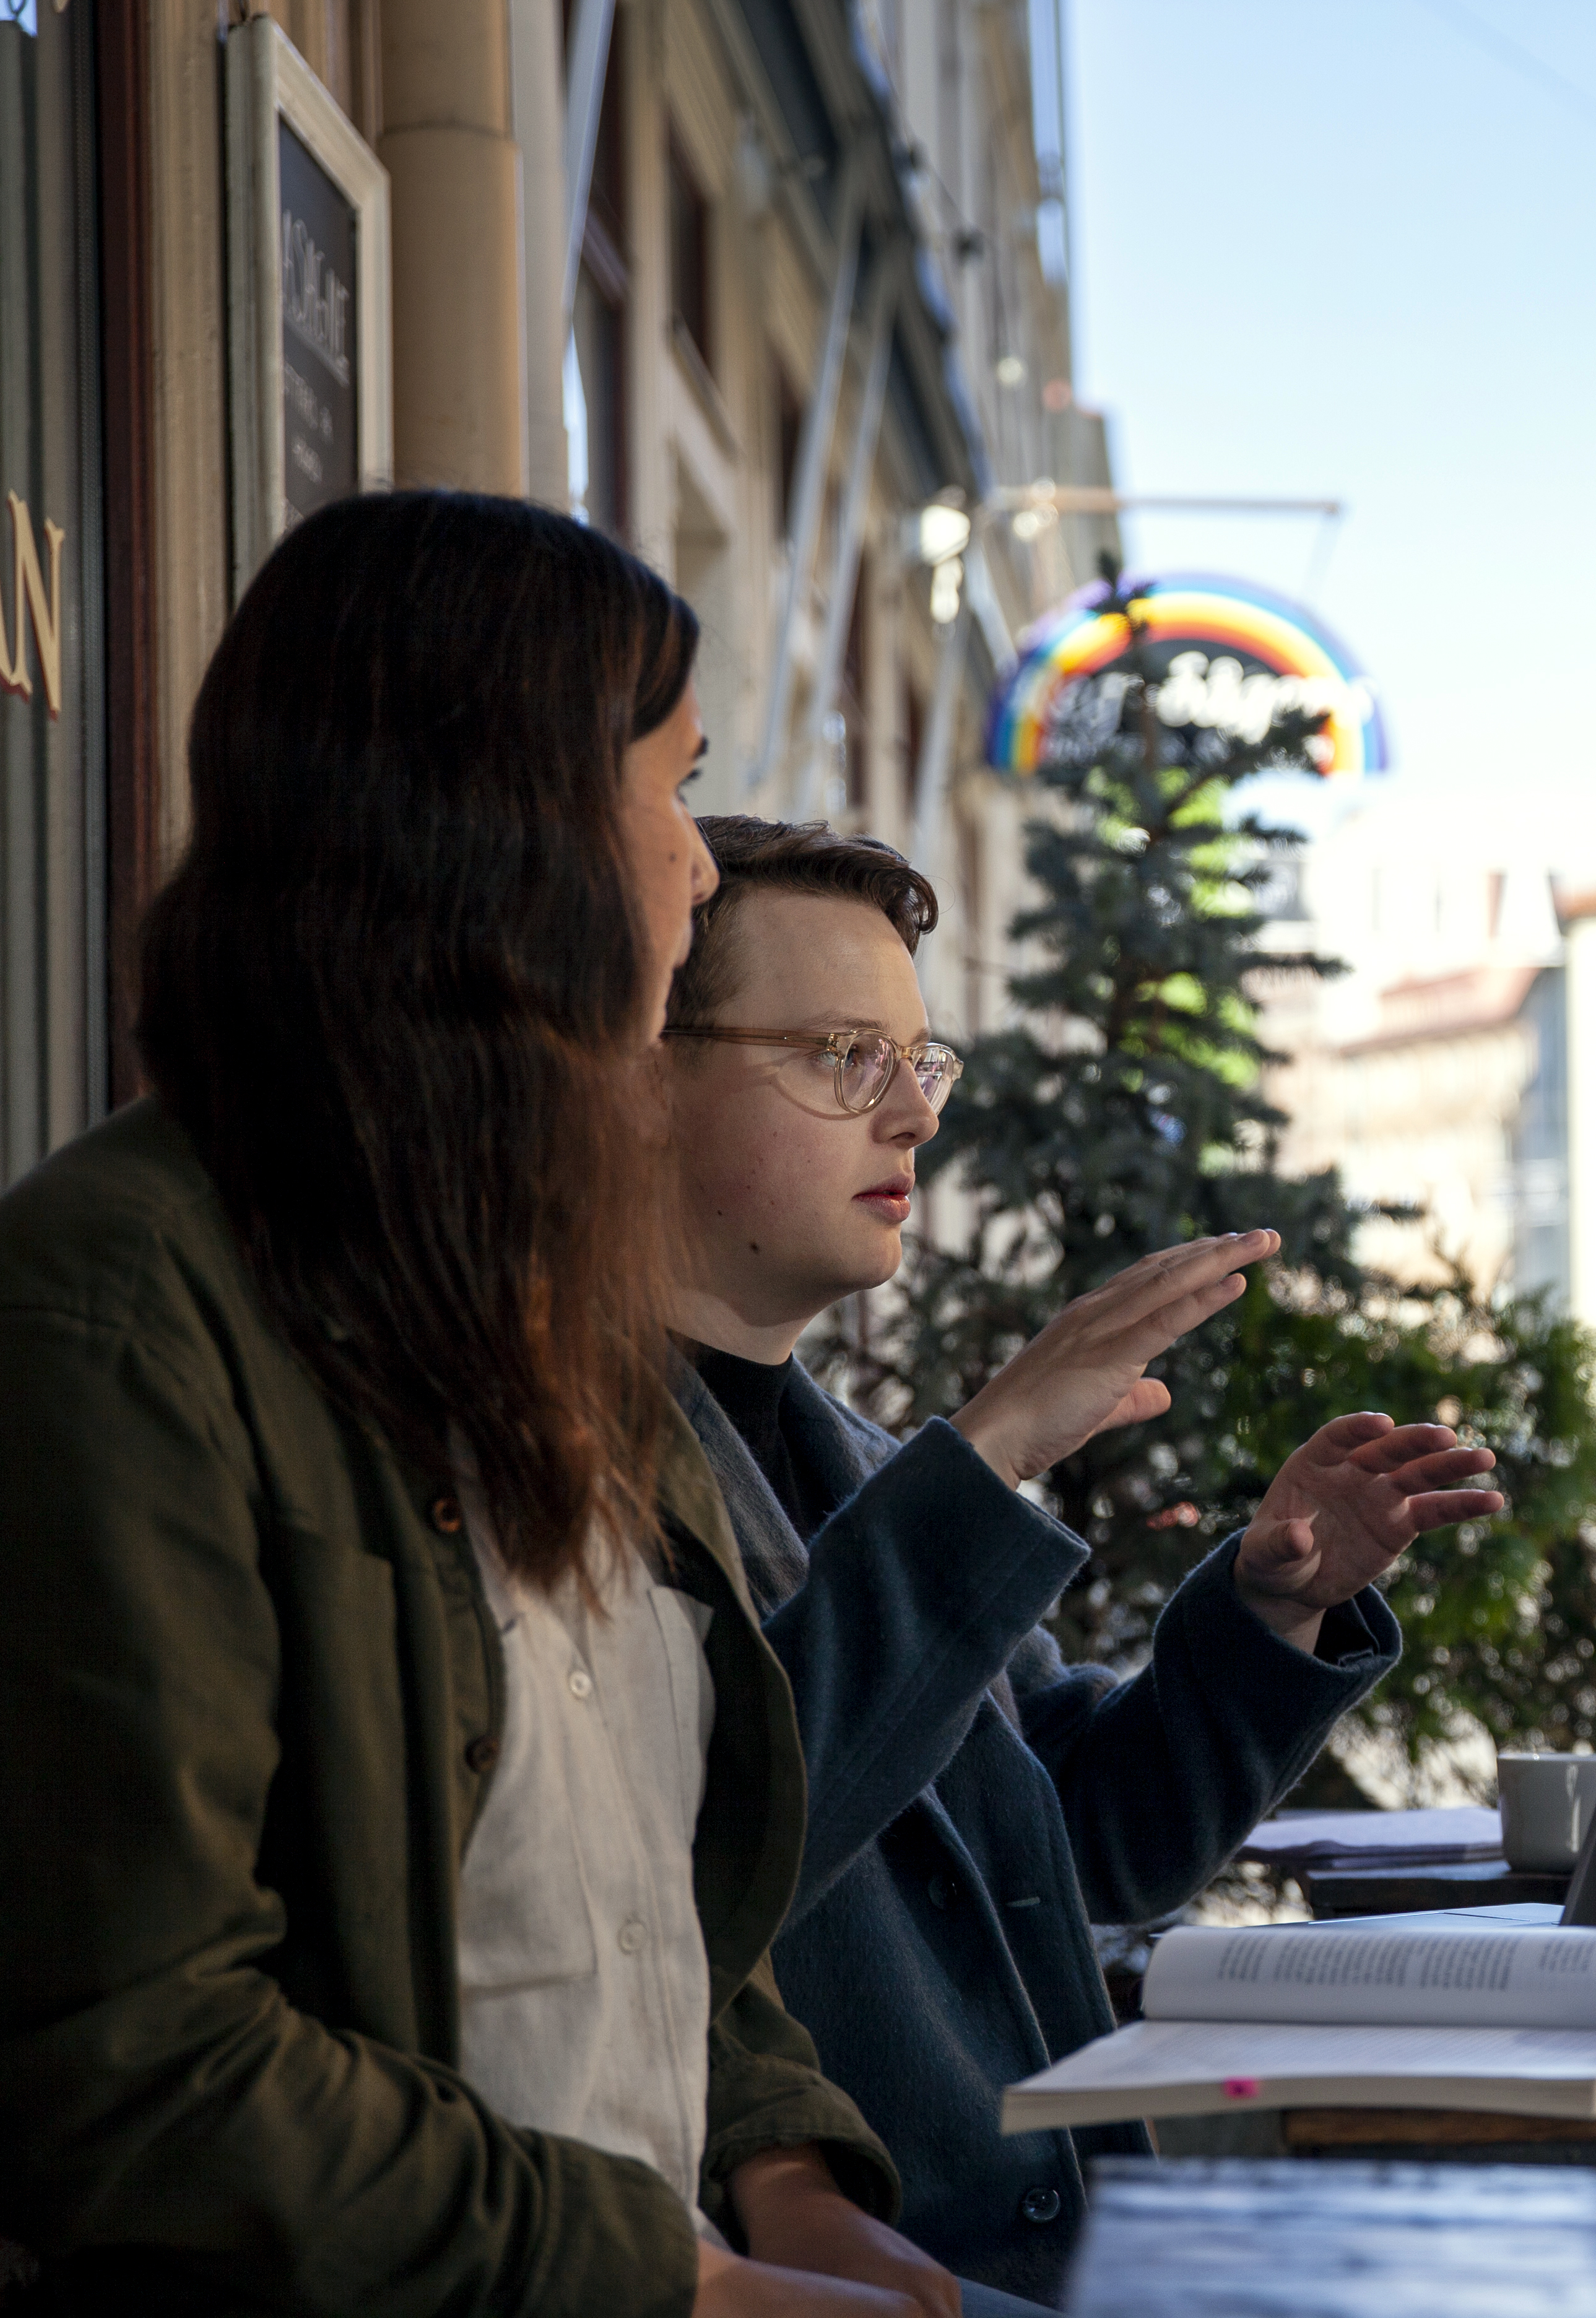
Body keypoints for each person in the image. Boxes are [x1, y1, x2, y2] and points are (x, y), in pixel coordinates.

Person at [0, 493, 957, 2316]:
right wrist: (676, 2283)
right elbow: (131, 2059)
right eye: (670, 790)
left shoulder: (547, 1290)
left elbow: (643, 1888)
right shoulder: (121, 1308)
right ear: (498, 825)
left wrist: (791, 2179)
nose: (696, 868)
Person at [653, 816, 1504, 2312]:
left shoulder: (849, 1449)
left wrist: (1267, 1612)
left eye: (922, 1062)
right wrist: (989, 1455)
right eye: (845, 1052)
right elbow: (721, 1839)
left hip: (1076, 2251)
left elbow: (1089, 1840)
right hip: (880, 2272)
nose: (911, 1117)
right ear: (643, 1079)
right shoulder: (563, 1459)